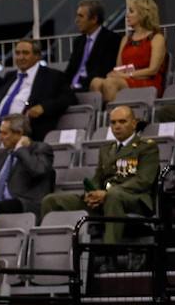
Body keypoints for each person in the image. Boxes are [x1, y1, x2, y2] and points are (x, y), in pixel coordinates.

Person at [39, 106, 160, 249]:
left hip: (134, 199)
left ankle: (109, 254)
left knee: (113, 196)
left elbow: (143, 180)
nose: (117, 126)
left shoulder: (147, 147)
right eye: (113, 123)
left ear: (134, 123)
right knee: (51, 201)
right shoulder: (106, 149)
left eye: (122, 122)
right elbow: (98, 178)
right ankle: (52, 251)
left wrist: (106, 194)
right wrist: (92, 193)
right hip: (104, 198)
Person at [0, 39, 72, 142]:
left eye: (25, 53)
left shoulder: (52, 76)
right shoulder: (9, 76)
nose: (21, 57)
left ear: (37, 56)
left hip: (29, 132)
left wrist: (43, 107)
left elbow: (68, 98)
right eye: (17, 53)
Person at [93, 0, 169, 105]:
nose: (127, 15)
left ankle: (116, 116)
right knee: (96, 82)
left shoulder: (157, 38)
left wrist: (125, 76)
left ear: (143, 14)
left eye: (131, 12)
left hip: (147, 81)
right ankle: (102, 118)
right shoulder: (126, 39)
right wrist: (115, 73)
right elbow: (119, 67)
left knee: (110, 83)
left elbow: (152, 70)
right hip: (126, 79)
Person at [0, 114, 55, 218]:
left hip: (24, 203)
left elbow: (38, 170)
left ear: (19, 133)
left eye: (4, 133)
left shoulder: (41, 149)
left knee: (1, 208)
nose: (0, 138)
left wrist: (21, 150)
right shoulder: (2, 155)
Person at [64, 0, 122, 93]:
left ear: (94, 19)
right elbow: (70, 70)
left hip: (92, 86)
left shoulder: (111, 39)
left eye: (81, 16)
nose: (76, 20)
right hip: (73, 88)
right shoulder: (78, 41)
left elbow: (104, 71)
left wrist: (78, 83)